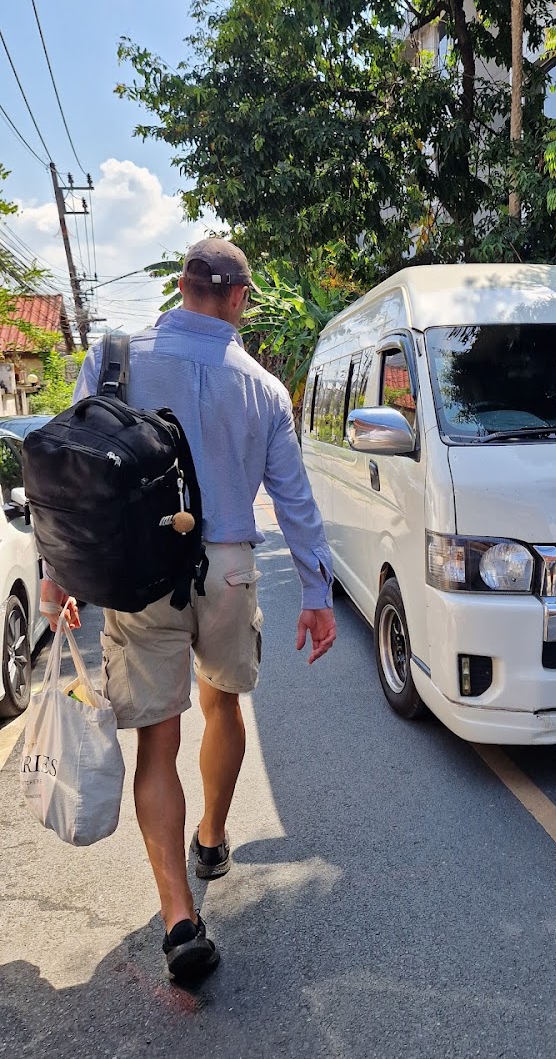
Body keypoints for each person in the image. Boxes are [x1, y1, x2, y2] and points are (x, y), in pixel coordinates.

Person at [41, 238, 337, 981]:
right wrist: (316, 593)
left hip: (142, 573)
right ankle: (211, 835)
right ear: (240, 299)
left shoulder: (116, 361)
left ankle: (179, 915)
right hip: (231, 567)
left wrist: (60, 575)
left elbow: (74, 483)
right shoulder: (264, 388)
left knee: (158, 742)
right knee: (226, 706)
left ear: (180, 286)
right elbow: (295, 500)